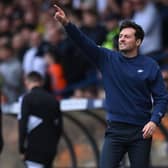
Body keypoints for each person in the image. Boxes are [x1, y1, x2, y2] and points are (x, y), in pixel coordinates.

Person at [53, 4, 168, 168]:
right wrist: (67, 24)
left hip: (141, 131)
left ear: (138, 41)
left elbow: (162, 97)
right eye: (121, 36)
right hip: (115, 130)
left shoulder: (150, 65)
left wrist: (154, 121)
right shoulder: (107, 58)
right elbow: (84, 42)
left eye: (127, 36)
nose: (121, 39)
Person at [18, 71, 62, 168]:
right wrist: (54, 144)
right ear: (42, 82)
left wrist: (21, 148)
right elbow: (59, 127)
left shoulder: (27, 99)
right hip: (50, 149)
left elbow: (23, 124)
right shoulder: (53, 99)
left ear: (26, 82)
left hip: (34, 149)